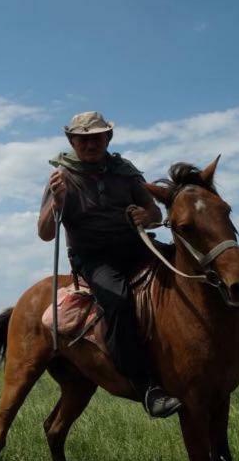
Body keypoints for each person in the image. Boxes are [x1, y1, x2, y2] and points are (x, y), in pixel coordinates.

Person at [37, 111, 182, 418]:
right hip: (94, 257)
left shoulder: (125, 171)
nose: (91, 144)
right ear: (72, 141)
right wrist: (57, 202)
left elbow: (153, 212)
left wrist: (148, 217)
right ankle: (146, 386)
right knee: (117, 298)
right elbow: (45, 234)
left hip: (135, 245)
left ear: (108, 138)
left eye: (97, 137)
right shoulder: (61, 178)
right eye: (83, 139)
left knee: (186, 272)